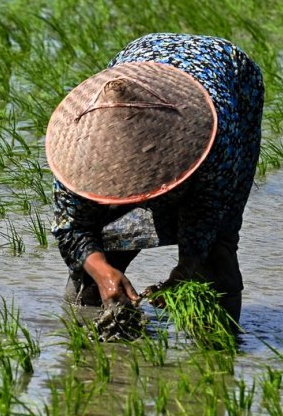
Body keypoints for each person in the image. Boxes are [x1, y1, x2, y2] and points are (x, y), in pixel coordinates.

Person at [46, 33, 264, 329]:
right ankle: (87, 345)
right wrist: (102, 272)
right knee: (95, 264)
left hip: (227, 78)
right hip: (141, 61)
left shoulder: (215, 140)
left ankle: (221, 352)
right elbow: (72, 226)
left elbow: (208, 210)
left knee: (216, 250)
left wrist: (186, 268)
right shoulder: (78, 148)